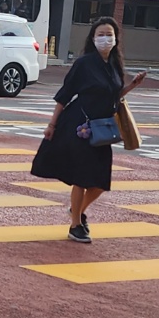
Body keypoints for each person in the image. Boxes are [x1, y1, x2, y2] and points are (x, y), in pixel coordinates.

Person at [30, 16, 147, 243]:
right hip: (80, 126)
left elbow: (113, 95)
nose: (105, 39)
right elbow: (64, 95)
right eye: (101, 34)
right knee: (81, 178)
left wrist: (131, 85)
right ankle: (76, 224)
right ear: (93, 38)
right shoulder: (84, 64)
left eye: (109, 35)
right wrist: (51, 125)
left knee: (101, 181)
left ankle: (76, 210)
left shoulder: (114, 64)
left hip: (102, 129)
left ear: (116, 39)